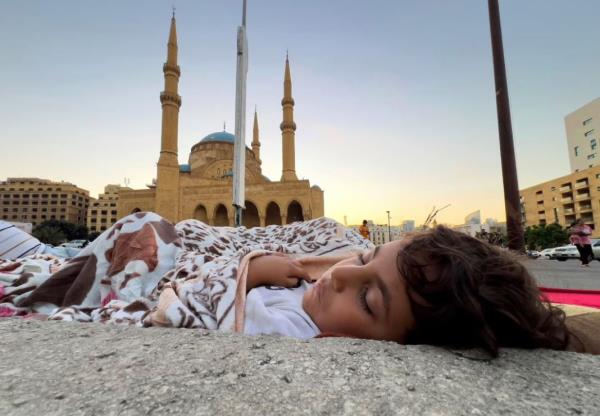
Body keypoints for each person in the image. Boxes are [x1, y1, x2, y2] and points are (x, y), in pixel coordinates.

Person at [244, 226, 600, 356]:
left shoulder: (287, 330)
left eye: (367, 299)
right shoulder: (319, 289)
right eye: (364, 256)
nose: (341, 275)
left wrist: (248, 273)